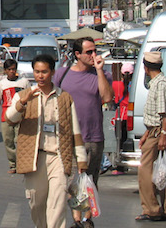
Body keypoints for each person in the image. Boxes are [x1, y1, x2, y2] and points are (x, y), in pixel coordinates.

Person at [6, 55, 88, 228]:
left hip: (58, 157)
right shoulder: (24, 95)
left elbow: (75, 130)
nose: (40, 76)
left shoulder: (65, 97)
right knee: (36, 203)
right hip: (34, 159)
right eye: (37, 72)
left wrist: (81, 158)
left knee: (57, 204)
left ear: (52, 72)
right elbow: (10, 118)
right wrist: (23, 102)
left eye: (44, 72)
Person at [52, 37, 113, 228]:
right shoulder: (63, 74)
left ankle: (88, 219)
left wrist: (100, 70)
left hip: (93, 136)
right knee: (72, 180)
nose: (93, 55)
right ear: (77, 54)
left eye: (95, 51)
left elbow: (106, 98)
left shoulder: (100, 75)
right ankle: (76, 220)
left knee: (91, 180)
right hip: (69, 137)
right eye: (89, 52)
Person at [136, 51, 166, 222]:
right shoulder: (158, 83)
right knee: (162, 171)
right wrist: (146, 134)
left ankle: (152, 209)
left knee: (145, 171)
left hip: (158, 132)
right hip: (154, 131)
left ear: (146, 67)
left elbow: (164, 114)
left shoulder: (160, 84)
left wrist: (162, 136)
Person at [0, 58, 30, 173]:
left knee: (20, 141)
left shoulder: (24, 82)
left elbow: (30, 99)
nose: (12, 71)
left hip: (21, 116)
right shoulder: (2, 84)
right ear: (5, 71)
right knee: (8, 142)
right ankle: (13, 164)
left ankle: (22, 163)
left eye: (14, 69)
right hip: (6, 117)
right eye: (9, 69)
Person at [112, 62, 133, 154]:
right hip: (131, 117)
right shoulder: (133, 87)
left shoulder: (115, 85)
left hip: (119, 117)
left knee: (119, 143)